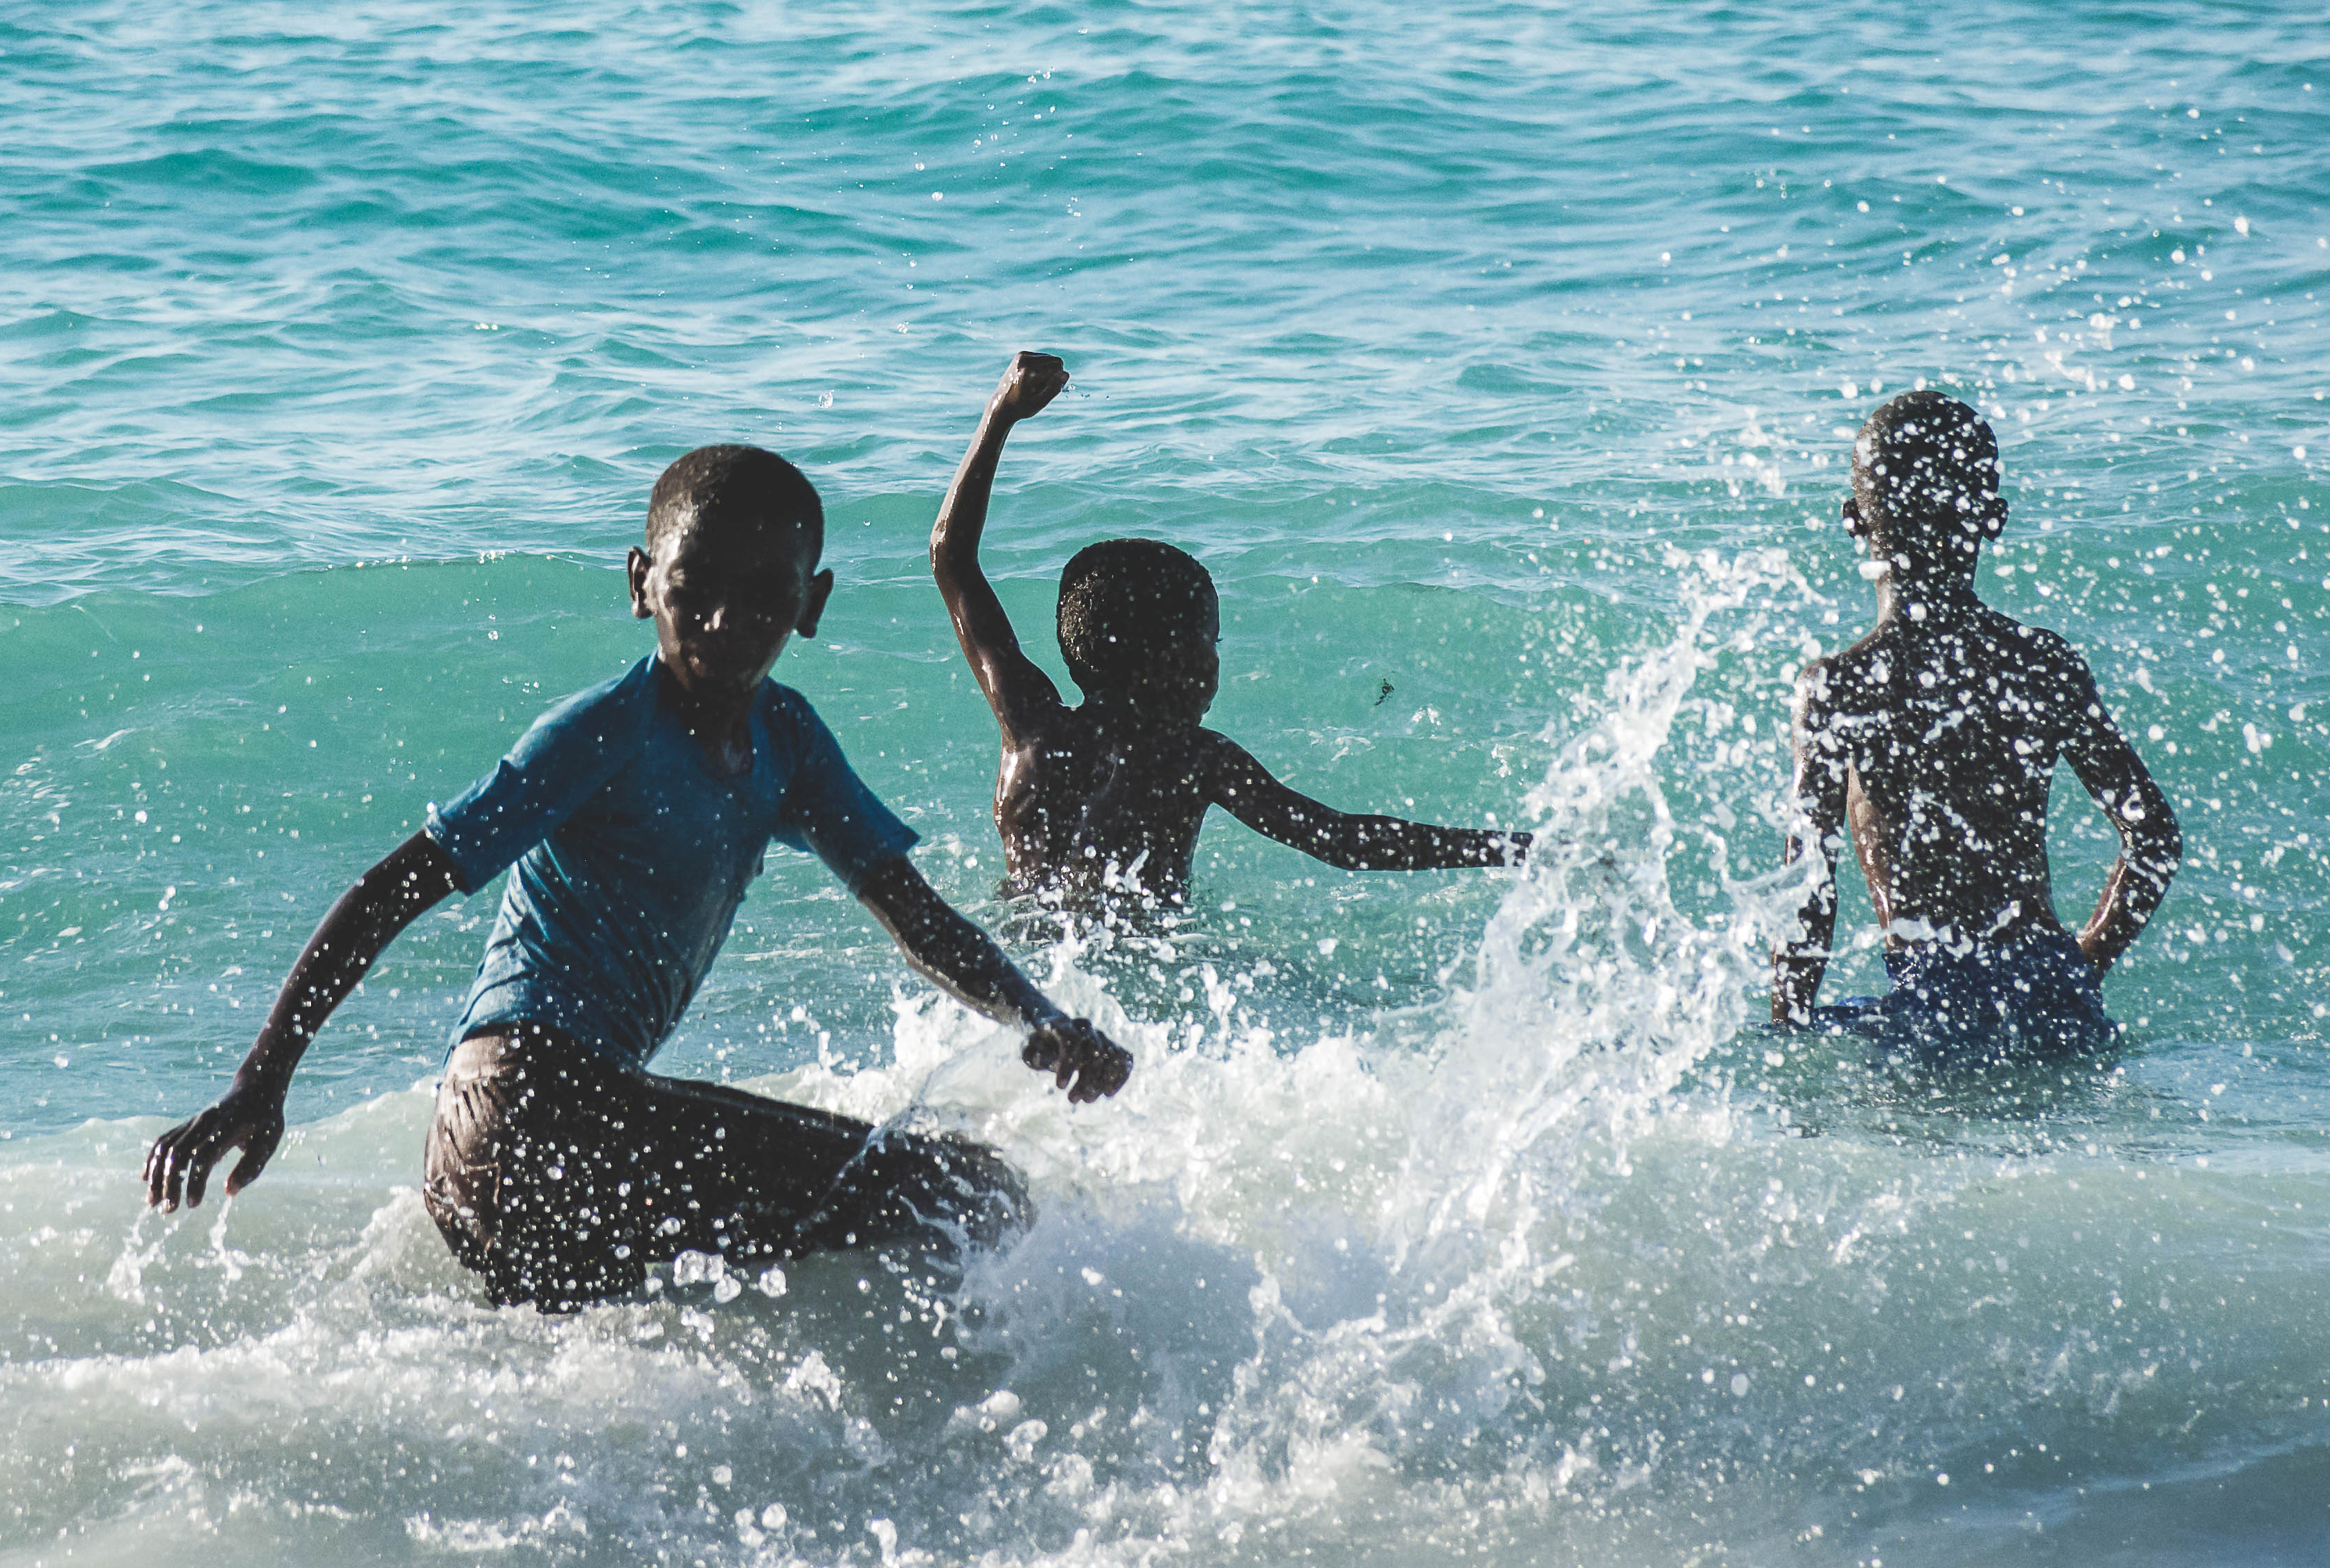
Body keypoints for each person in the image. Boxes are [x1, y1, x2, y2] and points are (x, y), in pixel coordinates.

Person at [143, 441, 1133, 1310]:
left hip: (530, 1140)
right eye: (694, 588)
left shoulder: (786, 740)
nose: (725, 621)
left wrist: (1038, 1017)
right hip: (531, 1105)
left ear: (812, 604)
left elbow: (916, 916)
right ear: (641, 582)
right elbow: (391, 888)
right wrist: (259, 1084)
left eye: (766, 596)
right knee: (963, 1189)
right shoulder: (603, 733)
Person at [928, 351, 1532, 914]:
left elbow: (951, 559)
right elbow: (1341, 840)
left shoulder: (1032, 728)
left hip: (1020, 951)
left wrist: (1001, 413)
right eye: (1209, 643)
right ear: (1174, 661)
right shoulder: (1195, 757)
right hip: (1137, 963)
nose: (1215, 661)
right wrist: (1507, 847)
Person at [1769, 389, 2185, 1061]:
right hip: (2052, 991)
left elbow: (1808, 889)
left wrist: (1787, 1032)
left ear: (1853, 519)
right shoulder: (2042, 665)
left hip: (1933, 1003)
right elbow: (2154, 837)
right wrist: (2082, 965)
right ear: (1992, 518)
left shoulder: (1839, 687)